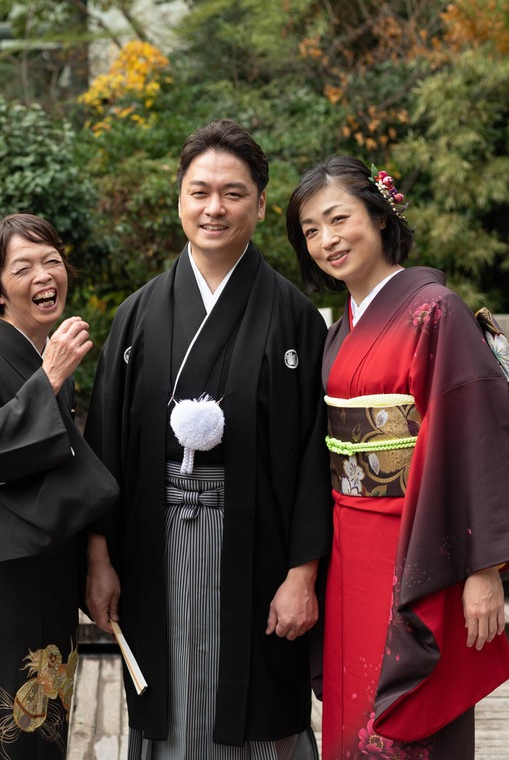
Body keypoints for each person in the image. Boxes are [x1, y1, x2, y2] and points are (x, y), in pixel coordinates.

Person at [285, 155, 509, 758]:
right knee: (355, 698)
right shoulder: (340, 326)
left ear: (379, 217)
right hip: (347, 539)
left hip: (420, 542)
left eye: (338, 219)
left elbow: (472, 433)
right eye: (310, 231)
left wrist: (483, 570)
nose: (327, 240)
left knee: (410, 713)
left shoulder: (436, 309)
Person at [84, 119, 332, 758]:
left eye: (233, 192)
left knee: (255, 698)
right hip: (151, 539)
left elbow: (314, 455)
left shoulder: (293, 314)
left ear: (261, 204)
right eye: (199, 191)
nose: (213, 208)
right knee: (172, 696)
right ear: (179, 198)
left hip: (260, 546)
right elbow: (105, 445)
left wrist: (304, 572)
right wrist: (99, 558)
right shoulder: (138, 313)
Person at [0, 213, 119, 760]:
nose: (44, 275)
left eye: (52, 261)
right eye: (24, 267)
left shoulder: (44, 353)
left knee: (48, 704)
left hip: (47, 551)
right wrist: (53, 376)